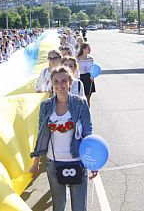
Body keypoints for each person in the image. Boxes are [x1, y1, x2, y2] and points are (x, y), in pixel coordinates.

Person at [29, 67, 97, 211]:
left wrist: (93, 162)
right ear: (51, 83)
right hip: (54, 163)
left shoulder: (80, 103)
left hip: (78, 161)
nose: (60, 85)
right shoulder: (46, 105)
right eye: (56, 81)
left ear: (70, 82)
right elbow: (41, 134)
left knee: (79, 207)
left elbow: (88, 132)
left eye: (64, 81)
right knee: (58, 206)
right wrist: (36, 163)